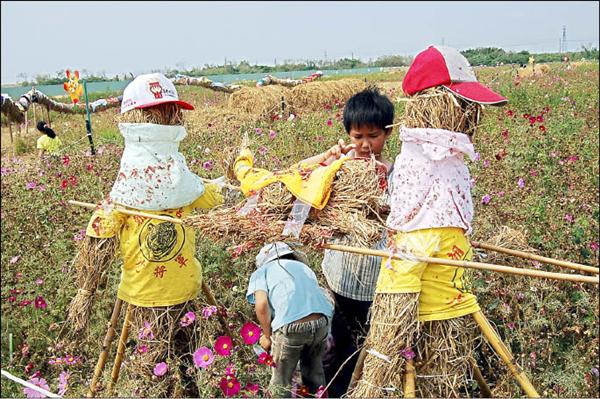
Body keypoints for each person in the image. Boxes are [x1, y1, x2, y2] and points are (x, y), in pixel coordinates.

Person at [351, 45, 509, 398]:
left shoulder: (452, 155)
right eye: (463, 106)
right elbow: (409, 234)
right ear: (434, 103)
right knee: (386, 359)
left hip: (448, 266)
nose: (471, 115)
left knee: (442, 364)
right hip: (412, 262)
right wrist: (394, 315)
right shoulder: (415, 157)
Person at [66, 73, 224, 397]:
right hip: (144, 299)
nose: (171, 119)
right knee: (152, 369)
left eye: (172, 112)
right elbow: (99, 239)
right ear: (140, 118)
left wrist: (234, 181)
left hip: (185, 291)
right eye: (162, 113)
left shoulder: (183, 180)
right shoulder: (125, 192)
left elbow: (211, 194)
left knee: (187, 362)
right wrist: (85, 291)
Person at [299, 87, 395, 397]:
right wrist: (326, 158)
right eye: (358, 136)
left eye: (374, 135)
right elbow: (300, 178)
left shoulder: (394, 174)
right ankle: (333, 391)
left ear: (388, 133)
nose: (366, 144)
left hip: (375, 281)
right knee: (337, 347)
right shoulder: (337, 169)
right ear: (348, 135)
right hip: (339, 275)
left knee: (368, 346)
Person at [246, 242, 334, 397]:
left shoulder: (262, 272)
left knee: (281, 381)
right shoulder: (304, 268)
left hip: (291, 326)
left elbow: (261, 305)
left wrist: (267, 336)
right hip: (322, 322)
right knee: (314, 373)